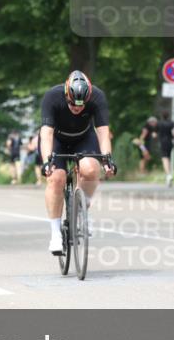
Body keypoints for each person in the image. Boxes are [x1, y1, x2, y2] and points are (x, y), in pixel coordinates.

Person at [39, 70, 116, 254]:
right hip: (57, 138)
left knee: (90, 170)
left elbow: (103, 132)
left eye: (81, 106)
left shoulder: (97, 97)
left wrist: (107, 159)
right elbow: (46, 134)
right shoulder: (52, 96)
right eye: (73, 104)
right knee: (56, 178)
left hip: (83, 137)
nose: (77, 108)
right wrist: (47, 161)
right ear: (66, 94)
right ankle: (55, 234)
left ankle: (82, 208)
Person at [157, 111, 174, 187]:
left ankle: (168, 175)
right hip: (170, 142)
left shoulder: (160, 123)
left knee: (164, 159)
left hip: (163, 142)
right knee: (168, 158)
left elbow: (155, 134)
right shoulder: (172, 123)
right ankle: (169, 175)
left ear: (162, 116)